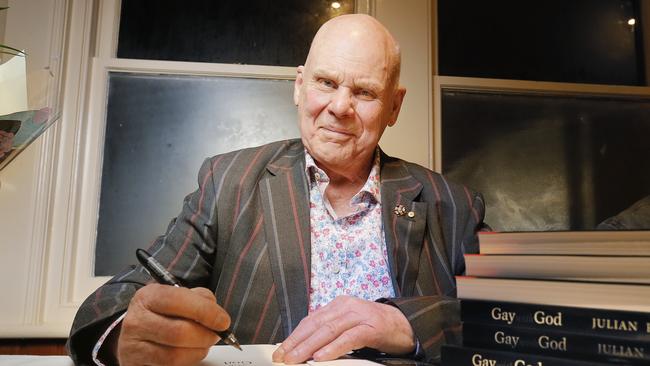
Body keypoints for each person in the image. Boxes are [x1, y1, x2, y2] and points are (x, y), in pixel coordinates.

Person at [67, 14, 486, 366]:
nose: (340, 107)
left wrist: (408, 323)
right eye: (326, 82)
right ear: (299, 86)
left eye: (364, 92)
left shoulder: (454, 205)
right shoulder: (228, 181)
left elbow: (524, 320)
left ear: (394, 106)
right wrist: (127, 335)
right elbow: (105, 307)